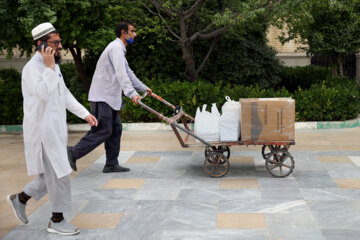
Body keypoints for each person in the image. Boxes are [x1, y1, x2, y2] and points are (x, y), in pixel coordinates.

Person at [6, 22, 98, 236]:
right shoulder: (32, 69)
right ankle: (57, 220)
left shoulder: (53, 67)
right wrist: (48, 68)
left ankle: (19, 199)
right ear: (40, 44)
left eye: (60, 42)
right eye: (55, 43)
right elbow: (42, 93)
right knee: (60, 176)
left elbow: (63, 94)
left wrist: (84, 113)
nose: (59, 47)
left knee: (52, 176)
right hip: (42, 134)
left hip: (55, 131)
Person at [67, 20, 152, 173]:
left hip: (109, 98)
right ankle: (73, 152)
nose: (135, 34)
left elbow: (128, 73)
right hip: (102, 97)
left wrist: (143, 88)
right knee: (103, 130)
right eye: (132, 31)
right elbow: (121, 73)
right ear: (123, 33)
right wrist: (132, 94)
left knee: (116, 129)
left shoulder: (119, 49)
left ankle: (111, 164)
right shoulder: (116, 48)